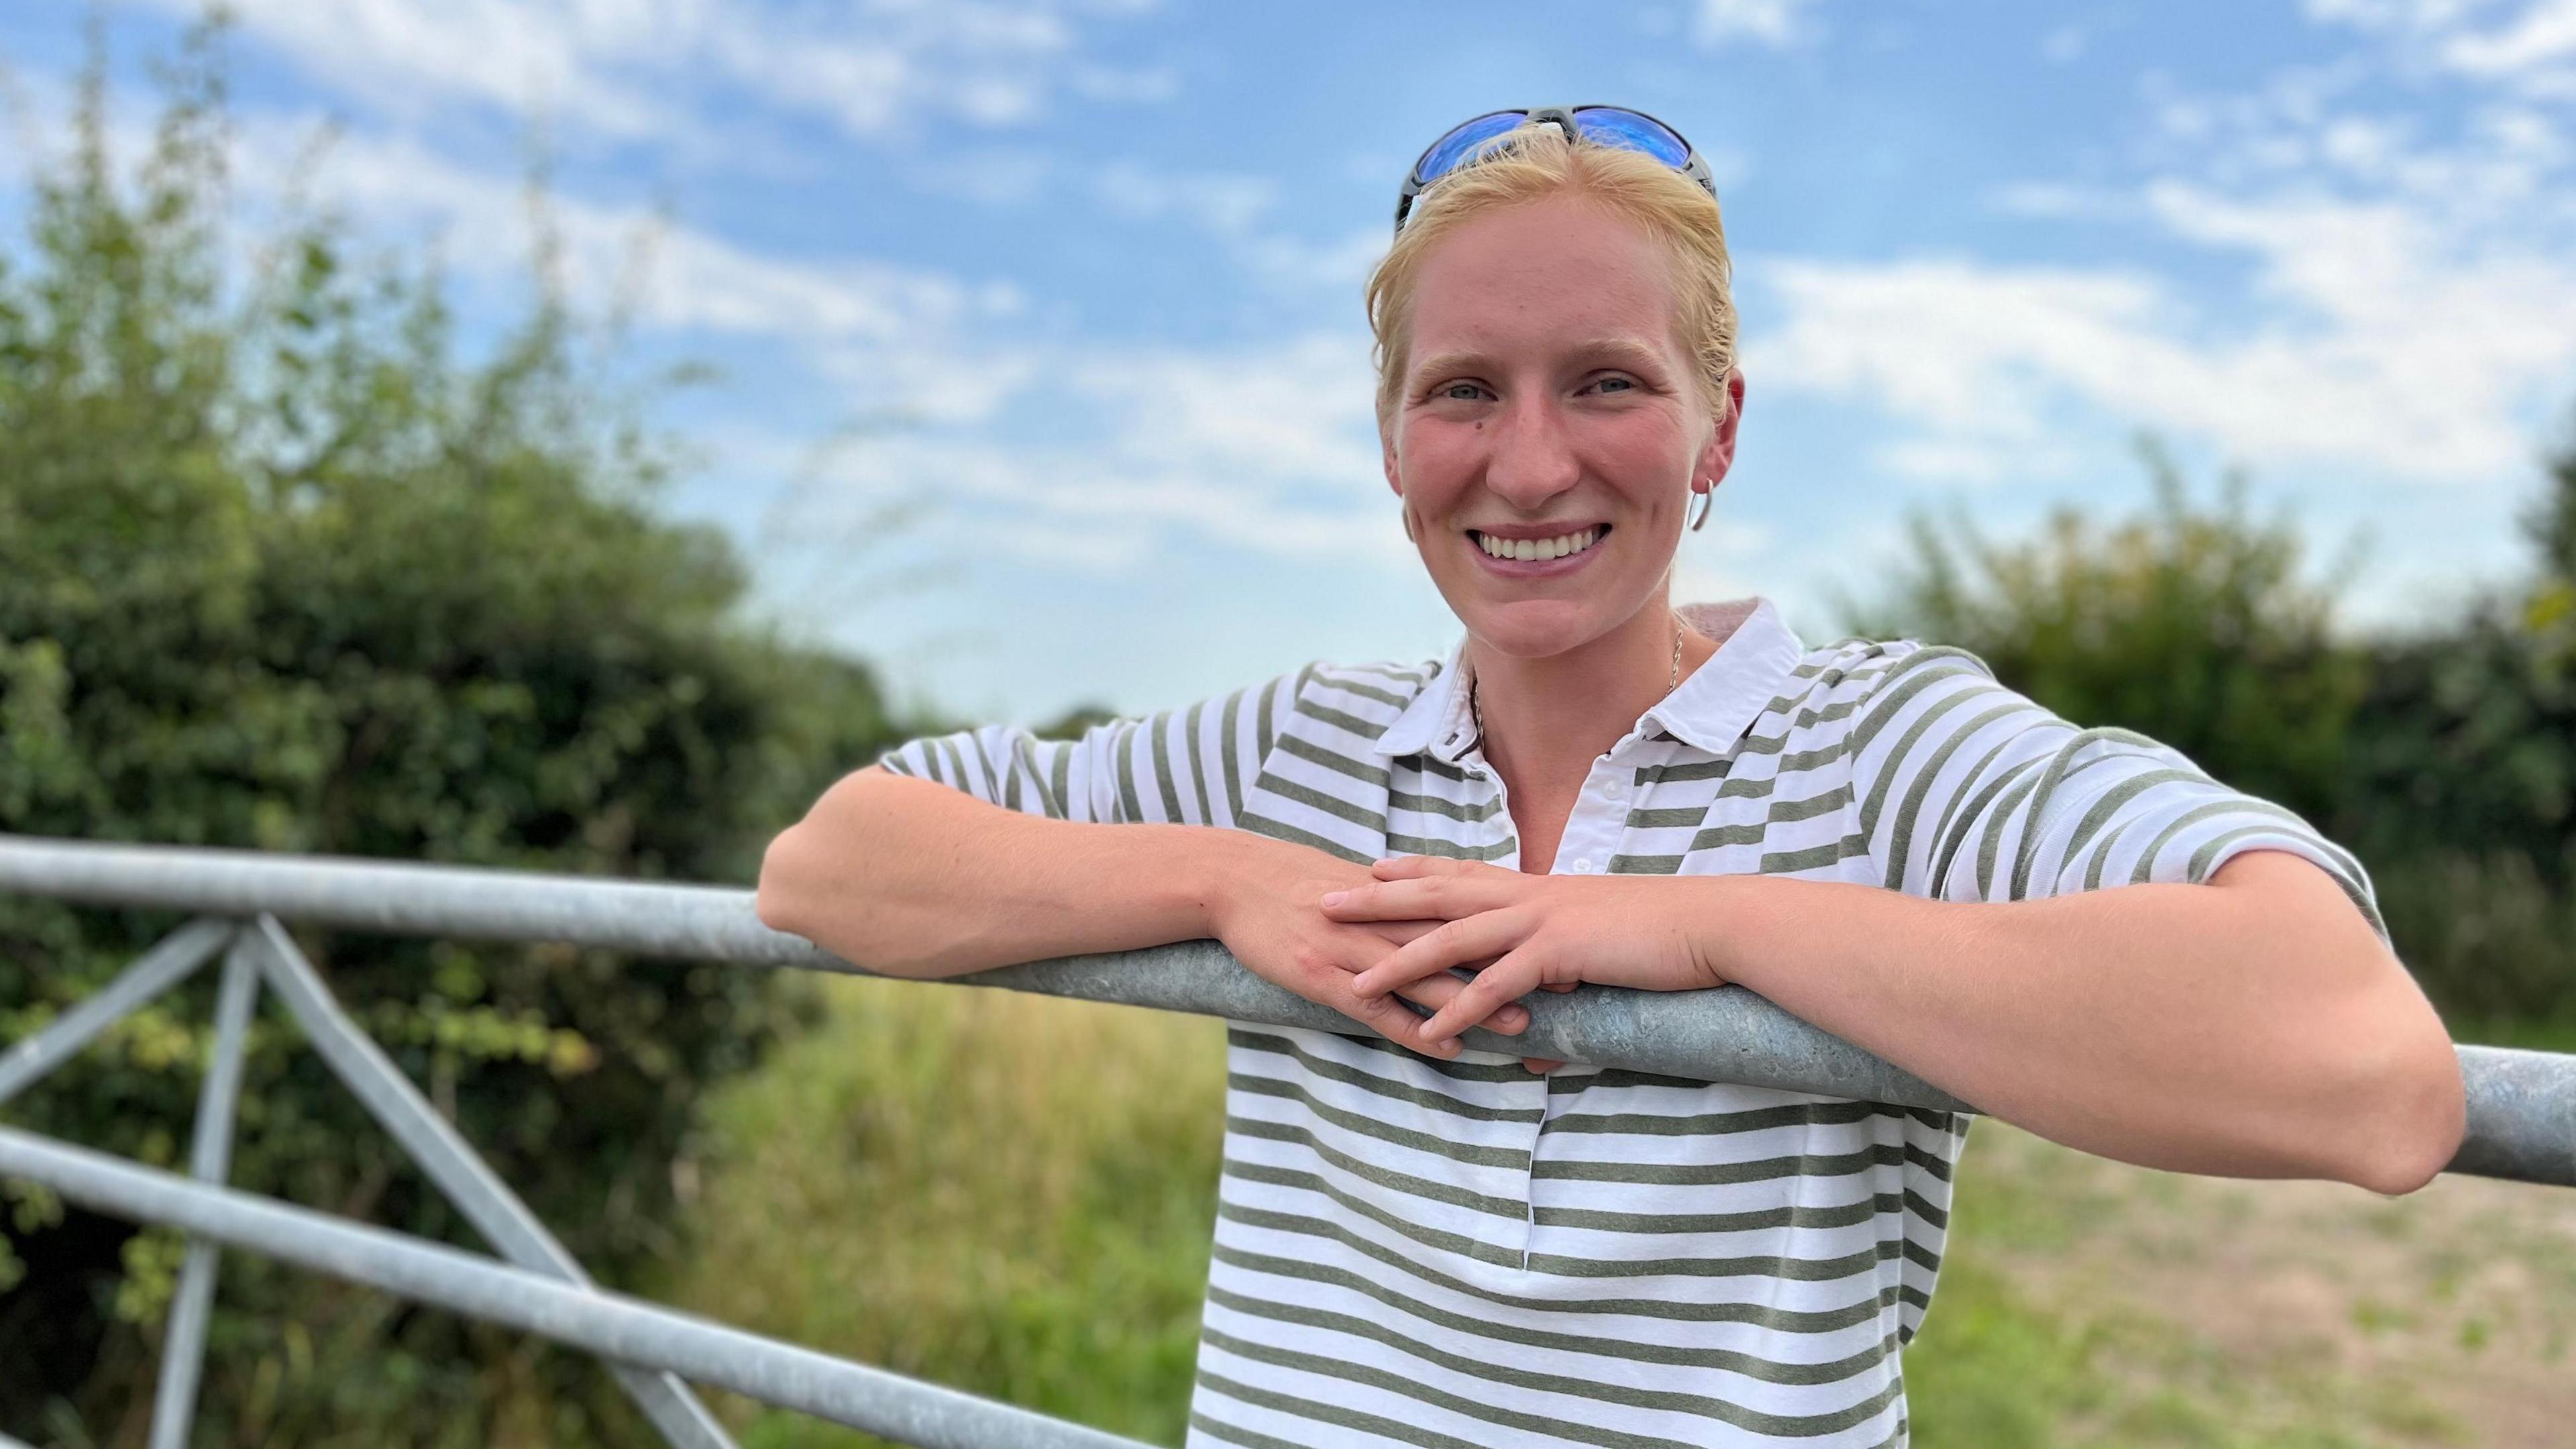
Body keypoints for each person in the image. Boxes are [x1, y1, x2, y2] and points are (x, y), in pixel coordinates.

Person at [755, 107, 2465, 1449]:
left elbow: (2363, 1070)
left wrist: (1698, 927)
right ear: (1389, 445)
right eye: (1463, 393)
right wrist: (1220, 884)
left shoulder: (1888, 747)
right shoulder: (1295, 751)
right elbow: (832, 864)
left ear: (1720, 427)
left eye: (1608, 384)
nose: (1529, 461)